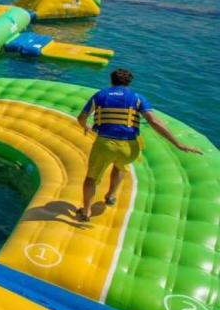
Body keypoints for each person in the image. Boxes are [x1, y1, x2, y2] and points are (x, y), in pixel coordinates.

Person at [75, 68, 201, 222]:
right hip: (130, 148)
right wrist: (178, 144)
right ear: (129, 82)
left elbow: (81, 117)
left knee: (91, 179)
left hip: (105, 145)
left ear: (111, 80)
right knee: (120, 166)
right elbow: (154, 121)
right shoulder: (137, 98)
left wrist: (86, 126)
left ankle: (86, 212)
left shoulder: (100, 95)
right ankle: (111, 196)